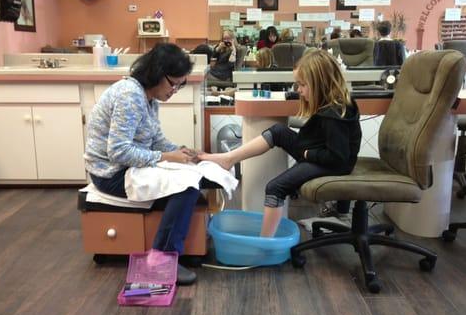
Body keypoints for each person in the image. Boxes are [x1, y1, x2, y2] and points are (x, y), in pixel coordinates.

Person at [199, 50, 362, 237]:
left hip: (330, 164)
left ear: (319, 83)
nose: (298, 90)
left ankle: (265, 243)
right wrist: (308, 151)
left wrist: (308, 155)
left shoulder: (335, 113)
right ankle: (228, 159)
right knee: (278, 131)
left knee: (275, 188)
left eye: (302, 85)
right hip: (317, 151)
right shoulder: (330, 104)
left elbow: (338, 159)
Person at [84, 43, 200, 285]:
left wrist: (179, 151)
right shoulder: (130, 96)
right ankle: (162, 260)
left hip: (127, 166)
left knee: (190, 176)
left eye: (181, 84)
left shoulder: (148, 96)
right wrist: (167, 157)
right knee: (186, 188)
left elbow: (155, 138)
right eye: (174, 84)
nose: (175, 90)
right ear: (157, 73)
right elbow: (118, 152)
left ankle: (169, 250)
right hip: (111, 173)